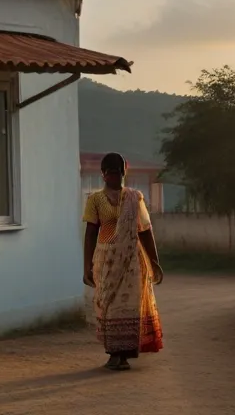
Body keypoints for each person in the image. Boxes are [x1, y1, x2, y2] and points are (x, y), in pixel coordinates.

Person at [82, 152, 164, 371]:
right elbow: (90, 233)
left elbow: (145, 232)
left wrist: (154, 261)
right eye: (110, 173)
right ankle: (113, 353)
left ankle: (125, 354)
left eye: (118, 173)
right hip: (106, 261)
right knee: (108, 307)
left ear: (124, 173)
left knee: (128, 307)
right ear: (103, 175)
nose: (115, 177)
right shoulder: (95, 200)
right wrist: (86, 266)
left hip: (132, 262)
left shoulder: (134, 198)